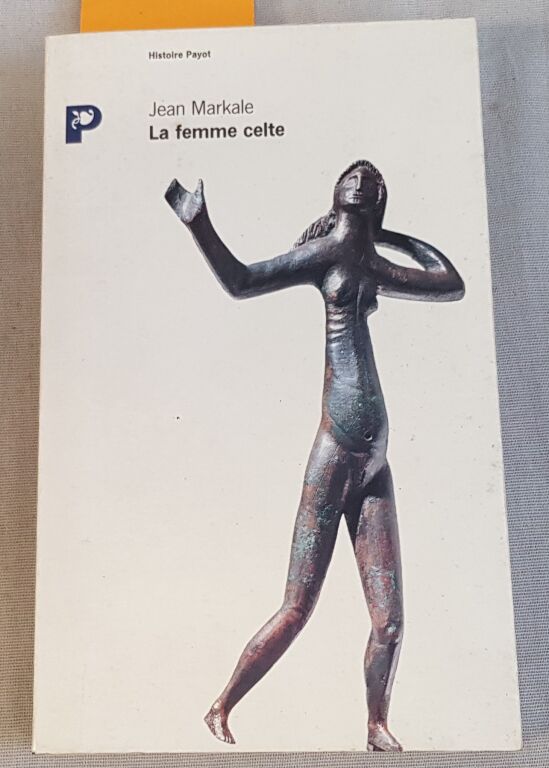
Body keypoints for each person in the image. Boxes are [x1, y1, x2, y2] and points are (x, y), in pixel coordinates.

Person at [165, 161, 465, 751]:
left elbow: (449, 281)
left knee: (389, 622)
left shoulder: (372, 263)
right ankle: (220, 706)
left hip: (374, 461)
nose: (364, 178)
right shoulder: (325, 254)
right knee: (297, 607)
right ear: (337, 193)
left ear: (378, 200)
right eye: (354, 175)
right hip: (337, 451)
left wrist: (388, 235)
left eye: (374, 180)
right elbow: (241, 279)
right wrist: (200, 225)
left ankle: (376, 725)